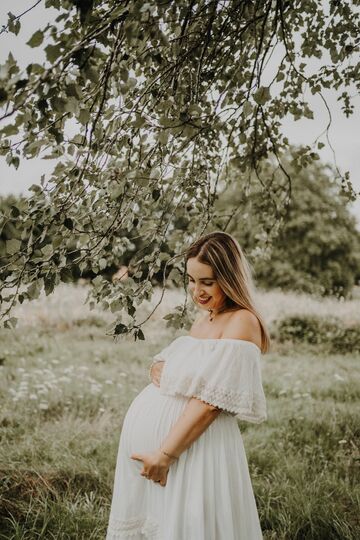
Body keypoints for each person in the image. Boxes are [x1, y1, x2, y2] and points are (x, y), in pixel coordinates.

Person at [105, 231, 270, 540]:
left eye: (207, 282)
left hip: (195, 449)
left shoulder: (242, 321)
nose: (197, 292)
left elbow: (209, 402)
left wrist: (165, 454)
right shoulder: (204, 320)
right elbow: (181, 374)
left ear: (230, 277)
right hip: (179, 448)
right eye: (191, 281)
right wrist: (159, 367)